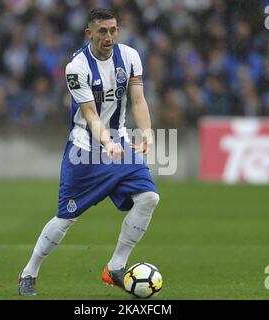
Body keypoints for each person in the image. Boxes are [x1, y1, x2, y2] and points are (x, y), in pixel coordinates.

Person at [17, 8, 160, 296]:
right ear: (89, 33)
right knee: (66, 218)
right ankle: (29, 272)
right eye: (102, 31)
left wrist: (146, 133)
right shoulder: (77, 67)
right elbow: (91, 115)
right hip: (85, 150)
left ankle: (115, 267)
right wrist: (106, 144)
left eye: (113, 30)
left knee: (149, 197)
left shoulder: (130, 57)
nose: (109, 37)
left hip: (119, 144)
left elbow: (138, 100)